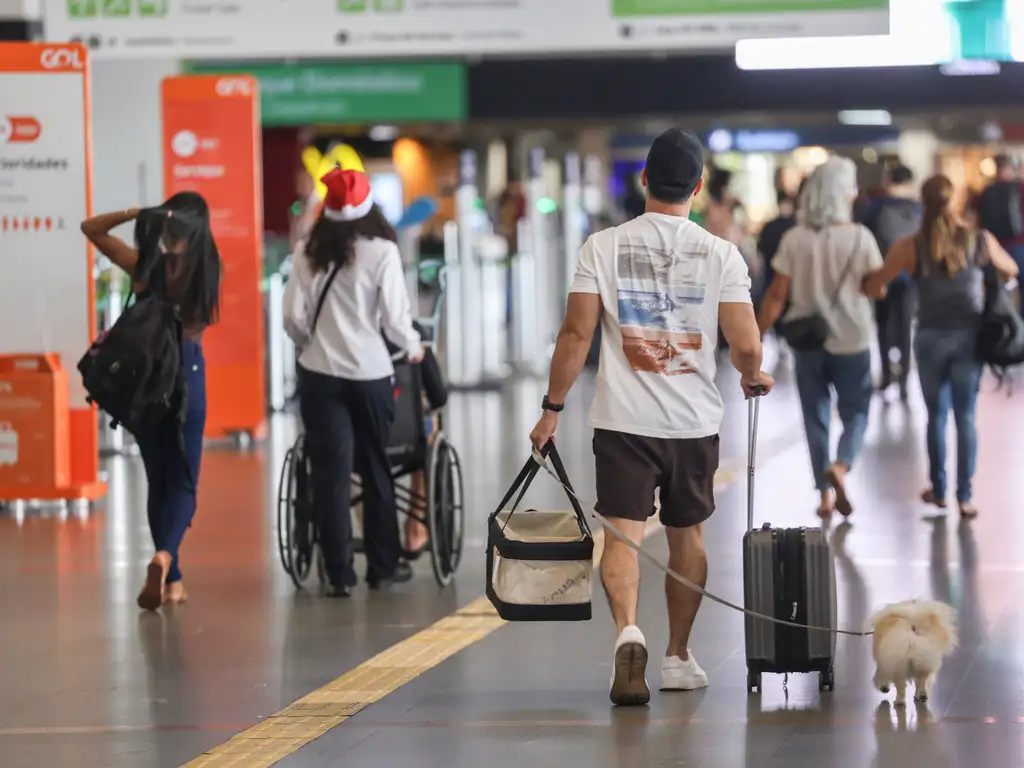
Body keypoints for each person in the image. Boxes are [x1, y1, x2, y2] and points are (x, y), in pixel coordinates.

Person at [528, 128, 774, 707]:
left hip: (622, 420)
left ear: (644, 180)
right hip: (691, 424)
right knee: (688, 536)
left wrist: (551, 408)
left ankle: (628, 633)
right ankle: (678, 657)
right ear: (698, 186)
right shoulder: (721, 255)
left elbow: (576, 334)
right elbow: (745, 343)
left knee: (622, 533)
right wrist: (750, 372)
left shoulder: (602, 246)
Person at [284, 168, 423, 597]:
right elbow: (396, 320)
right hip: (371, 376)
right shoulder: (381, 252)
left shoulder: (308, 250)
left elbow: (293, 318)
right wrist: (413, 346)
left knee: (332, 474)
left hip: (321, 376)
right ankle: (382, 566)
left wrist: (315, 343)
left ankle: (339, 572)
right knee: (377, 467)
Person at [81, 193, 221, 610]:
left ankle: (173, 578)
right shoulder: (205, 271)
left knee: (158, 478)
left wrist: (136, 214)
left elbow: (91, 228)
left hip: (146, 382)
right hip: (187, 376)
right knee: (183, 482)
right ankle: (165, 558)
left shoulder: (147, 267)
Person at [865, 175, 1019, 521]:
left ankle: (938, 489)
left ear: (924, 203)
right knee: (965, 418)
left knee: (936, 416)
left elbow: (877, 284)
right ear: (954, 201)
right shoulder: (979, 240)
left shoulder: (910, 246)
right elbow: (1011, 268)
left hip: (930, 340)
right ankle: (965, 497)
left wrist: (874, 290)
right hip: (970, 339)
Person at [758, 156, 883, 519]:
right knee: (856, 411)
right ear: (845, 193)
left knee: (815, 416)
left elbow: (777, 294)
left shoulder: (795, 238)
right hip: (852, 339)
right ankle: (842, 465)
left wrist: (756, 335)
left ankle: (825, 496)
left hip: (808, 341)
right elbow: (874, 288)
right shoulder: (861, 236)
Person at [859, 164, 923, 398]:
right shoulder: (917, 208)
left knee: (883, 324)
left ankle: (886, 373)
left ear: (889, 180)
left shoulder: (875, 207)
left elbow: (863, 236)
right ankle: (905, 376)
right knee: (905, 325)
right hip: (909, 275)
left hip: (882, 272)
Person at [975, 154, 1024, 309]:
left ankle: (1004, 325)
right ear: (1011, 168)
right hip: (1019, 245)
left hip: (993, 247)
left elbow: (977, 221)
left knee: (998, 291)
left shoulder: (985, 192)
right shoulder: (1020, 188)